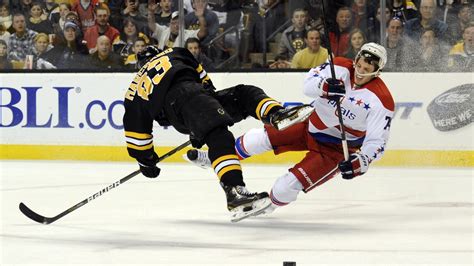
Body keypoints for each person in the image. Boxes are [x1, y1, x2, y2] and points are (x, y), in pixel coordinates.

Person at [185, 43, 395, 217]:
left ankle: (266, 206)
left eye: (368, 68)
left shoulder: (381, 100)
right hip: (310, 122)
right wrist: (324, 86)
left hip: (335, 149)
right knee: (257, 138)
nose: (361, 70)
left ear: (377, 71)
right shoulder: (338, 66)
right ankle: (216, 158)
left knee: (285, 187)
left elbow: (377, 142)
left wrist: (363, 161)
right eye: (360, 63)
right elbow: (308, 84)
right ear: (356, 58)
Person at [123, 46, 313, 220]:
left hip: (185, 105)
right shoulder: (175, 52)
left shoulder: (134, 89)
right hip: (194, 94)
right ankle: (235, 189)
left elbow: (137, 134)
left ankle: (274, 116)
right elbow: (204, 80)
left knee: (237, 104)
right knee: (236, 109)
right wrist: (201, 118)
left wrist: (146, 161)